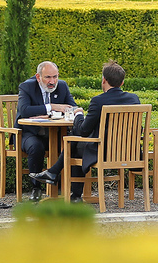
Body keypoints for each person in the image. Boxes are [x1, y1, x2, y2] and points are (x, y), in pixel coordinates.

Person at [29, 60, 139, 200]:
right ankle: (57, 177)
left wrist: (79, 114)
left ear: (103, 80)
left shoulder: (98, 101)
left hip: (102, 152)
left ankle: (70, 190)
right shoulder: (134, 99)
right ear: (122, 83)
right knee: (76, 140)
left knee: (74, 143)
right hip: (128, 151)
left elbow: (83, 131)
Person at [16, 61, 81, 179]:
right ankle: (36, 186)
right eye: (48, 77)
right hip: (30, 133)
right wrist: (52, 107)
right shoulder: (27, 87)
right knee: (36, 147)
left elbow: (73, 108)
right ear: (38, 77)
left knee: (73, 144)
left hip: (57, 133)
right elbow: (25, 110)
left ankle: (64, 186)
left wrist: (49, 114)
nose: (52, 82)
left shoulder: (62, 86)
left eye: (55, 77)